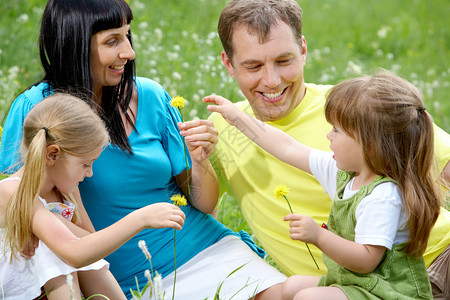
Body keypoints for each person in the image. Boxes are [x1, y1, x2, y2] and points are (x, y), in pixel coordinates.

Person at [0, 0, 286, 299]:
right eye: (112, 41)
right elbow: (23, 208)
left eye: (127, 35)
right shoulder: (36, 110)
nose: (129, 52)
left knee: (283, 295)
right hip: (126, 274)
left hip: (203, 246)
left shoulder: (150, 96)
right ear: (75, 44)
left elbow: (205, 205)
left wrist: (201, 162)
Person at [207, 0, 450, 298]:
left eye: (283, 61)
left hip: (425, 270)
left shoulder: (361, 111)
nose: (271, 80)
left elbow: (367, 258)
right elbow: (285, 146)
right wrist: (235, 118)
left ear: (303, 50)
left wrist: (318, 235)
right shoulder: (339, 167)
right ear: (228, 63)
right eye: (254, 65)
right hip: (354, 282)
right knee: (294, 288)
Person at [0, 93, 188, 299]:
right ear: (52, 154)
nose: (89, 173)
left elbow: (89, 244)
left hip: (49, 286)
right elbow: (74, 252)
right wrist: (140, 219)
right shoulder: (13, 193)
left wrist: (61, 227)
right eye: (85, 164)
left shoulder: (65, 190)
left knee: (78, 252)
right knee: (61, 251)